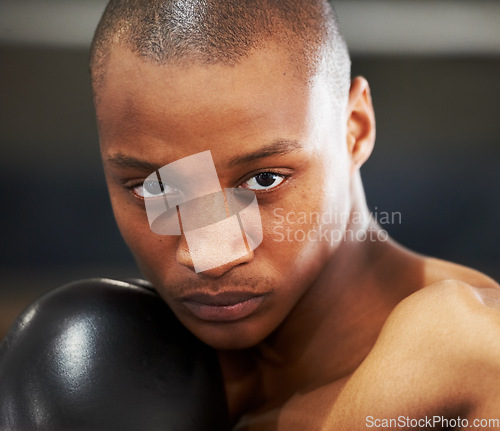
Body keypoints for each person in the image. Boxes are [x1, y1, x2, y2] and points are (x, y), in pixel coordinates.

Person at [1, 0, 499, 430]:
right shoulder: (123, 369)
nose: (210, 255)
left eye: (263, 180)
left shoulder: (465, 349)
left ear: (355, 129)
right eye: (156, 187)